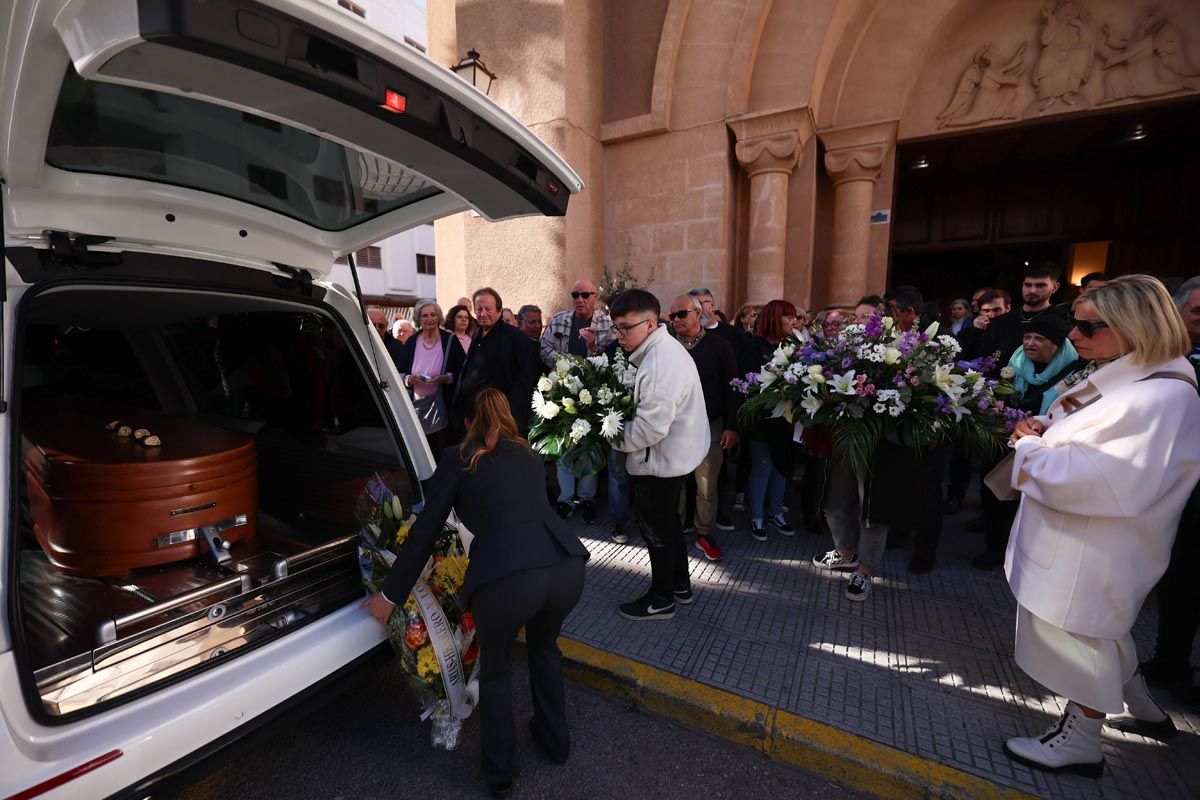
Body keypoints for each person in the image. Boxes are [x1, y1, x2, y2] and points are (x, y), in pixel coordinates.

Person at [1002, 276, 1200, 775]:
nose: (1073, 334)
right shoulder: (1136, 371)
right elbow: (1086, 429)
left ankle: (1082, 740)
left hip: (1095, 544)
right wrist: (1045, 428)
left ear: (1135, 326)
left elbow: (1097, 479)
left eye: (1089, 326)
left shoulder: (1160, 395)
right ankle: (1142, 706)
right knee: (1105, 628)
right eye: (1074, 322)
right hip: (1090, 542)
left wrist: (1028, 448)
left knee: (1082, 638)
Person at [363, 388, 589, 799]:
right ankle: (556, 744)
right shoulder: (528, 454)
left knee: (498, 670)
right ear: (506, 416)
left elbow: (424, 533)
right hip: (565, 567)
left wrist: (389, 596)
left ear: (467, 422)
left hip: (508, 579)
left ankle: (501, 776)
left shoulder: (457, 456)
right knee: (544, 650)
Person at [609, 289, 708, 621]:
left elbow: (650, 429)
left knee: (656, 532)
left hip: (660, 462)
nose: (619, 336)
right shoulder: (661, 350)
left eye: (625, 327)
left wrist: (610, 436)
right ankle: (680, 586)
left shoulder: (659, 361)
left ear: (650, 324)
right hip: (669, 458)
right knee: (668, 526)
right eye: (616, 328)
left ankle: (661, 599)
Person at [972, 313, 1082, 570]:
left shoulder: (1074, 372)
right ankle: (995, 547)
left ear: (1057, 344)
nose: (1030, 343)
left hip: (1045, 448)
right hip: (1004, 441)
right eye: (1027, 337)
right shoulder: (1015, 362)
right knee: (996, 498)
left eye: (1039, 338)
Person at [1140, 275, 1200, 709]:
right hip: (1177, 488)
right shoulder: (1163, 358)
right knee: (1180, 579)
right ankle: (1169, 661)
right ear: (1177, 312)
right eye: (1198, 312)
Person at [884, 286, 950, 574]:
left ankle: (925, 548)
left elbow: (950, 386)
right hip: (898, 430)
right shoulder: (890, 337)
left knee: (927, 492)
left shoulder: (939, 341)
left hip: (929, 431)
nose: (887, 317)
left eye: (891, 311)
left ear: (910, 312)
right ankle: (899, 530)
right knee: (898, 484)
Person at [669, 295, 739, 563]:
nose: (676, 320)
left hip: (710, 425)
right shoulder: (668, 347)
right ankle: (674, 527)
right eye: (672, 316)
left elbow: (733, 387)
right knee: (675, 480)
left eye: (682, 314)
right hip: (674, 427)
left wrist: (732, 426)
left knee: (706, 483)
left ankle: (704, 532)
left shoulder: (719, 345)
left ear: (699, 313)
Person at [540, 279, 616, 524]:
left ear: (595, 297)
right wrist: (567, 363)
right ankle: (565, 499)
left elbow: (614, 354)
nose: (580, 299)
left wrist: (592, 350)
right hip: (563, 391)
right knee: (565, 445)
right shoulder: (560, 320)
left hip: (594, 392)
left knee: (589, 447)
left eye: (586, 294)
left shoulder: (607, 323)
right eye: (576, 294)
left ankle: (586, 498)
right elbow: (545, 348)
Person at [740, 300, 799, 542]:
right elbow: (748, 382)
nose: (794, 321)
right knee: (763, 466)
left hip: (787, 418)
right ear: (775, 318)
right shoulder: (754, 346)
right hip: (762, 419)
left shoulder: (793, 345)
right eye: (789, 317)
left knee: (782, 466)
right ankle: (757, 517)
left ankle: (776, 512)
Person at [452, 288, 541, 440]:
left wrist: (508, 411)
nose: (483, 313)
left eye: (488, 309)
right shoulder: (477, 334)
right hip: (474, 416)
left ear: (499, 310)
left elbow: (526, 378)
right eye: (479, 309)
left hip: (500, 419)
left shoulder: (515, 338)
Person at [395, 300, 467, 456]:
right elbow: (398, 372)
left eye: (433, 315)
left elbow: (464, 370)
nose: (430, 319)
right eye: (425, 315)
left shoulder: (450, 340)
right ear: (419, 319)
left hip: (444, 407)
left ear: (439, 317)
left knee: (444, 450)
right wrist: (408, 379)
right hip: (417, 408)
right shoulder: (412, 342)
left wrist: (445, 378)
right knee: (422, 452)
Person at [978, 262, 1067, 373]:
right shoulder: (1000, 322)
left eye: (1040, 285)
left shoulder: (1063, 321)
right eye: (1028, 285)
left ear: (1054, 287)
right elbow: (985, 359)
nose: (1032, 290)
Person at [689, 287, 747, 360]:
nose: (696, 309)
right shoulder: (687, 335)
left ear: (712, 306)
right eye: (692, 306)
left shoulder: (734, 333)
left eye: (699, 304)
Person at [956, 289, 1011, 362]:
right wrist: (976, 332)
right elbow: (963, 359)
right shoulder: (965, 334)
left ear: (1007, 308)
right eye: (986, 311)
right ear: (980, 311)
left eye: (996, 310)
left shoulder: (1017, 331)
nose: (991, 315)